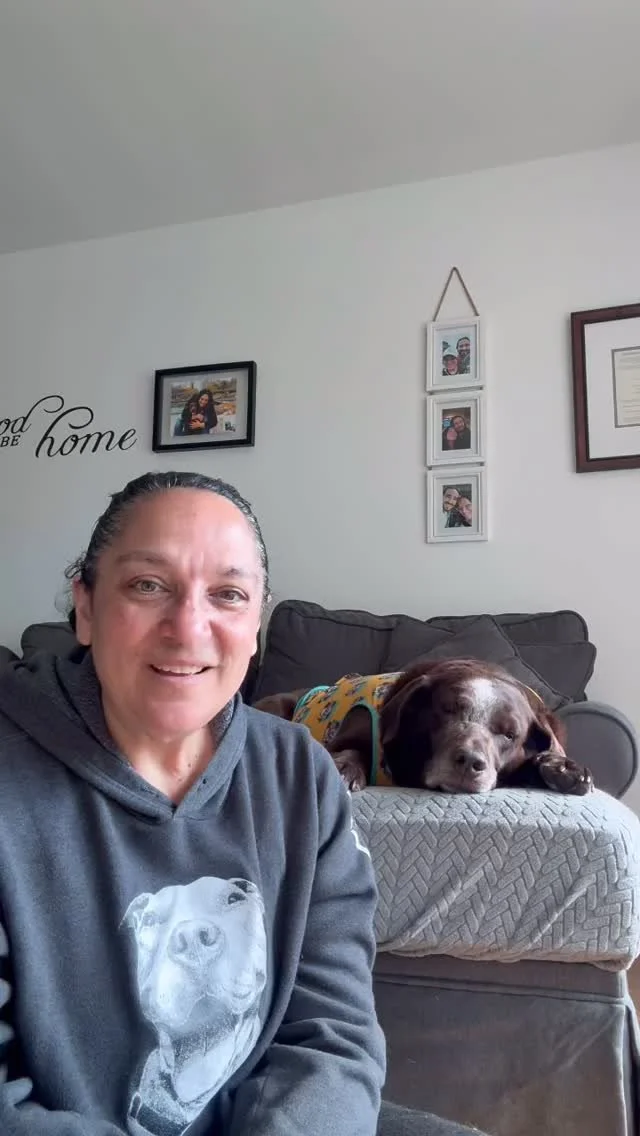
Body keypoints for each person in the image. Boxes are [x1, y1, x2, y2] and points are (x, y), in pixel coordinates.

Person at [0, 471, 488, 1136]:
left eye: (227, 595)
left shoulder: (300, 774)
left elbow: (332, 1035)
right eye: (148, 585)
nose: (187, 627)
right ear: (85, 607)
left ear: (255, 624)